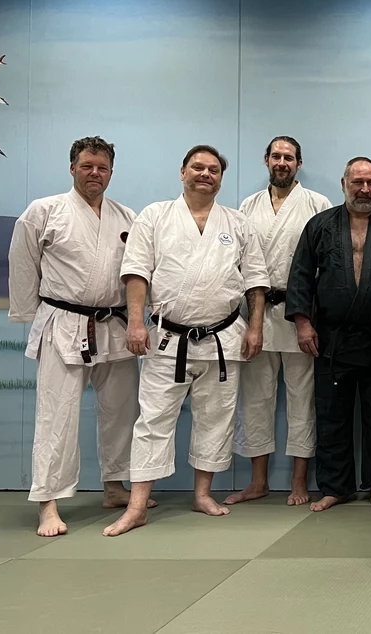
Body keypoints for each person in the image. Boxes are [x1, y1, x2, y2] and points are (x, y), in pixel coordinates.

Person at [104, 145, 270, 536]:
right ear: (183, 172)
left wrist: (256, 327)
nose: (205, 174)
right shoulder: (155, 216)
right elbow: (137, 272)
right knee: (152, 421)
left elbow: (255, 280)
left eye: (213, 170)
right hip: (166, 338)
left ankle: (202, 494)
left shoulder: (237, 222)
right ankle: (138, 505)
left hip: (222, 338)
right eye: (198, 167)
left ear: (220, 179)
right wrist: (135, 322)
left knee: (216, 418)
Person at [8, 136, 149, 537]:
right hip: (64, 322)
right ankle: (48, 502)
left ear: (111, 173)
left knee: (121, 410)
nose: (94, 174)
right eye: (87, 166)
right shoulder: (44, 211)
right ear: (72, 168)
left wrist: (138, 318)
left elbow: (139, 270)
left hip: (114, 324)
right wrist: (32, 316)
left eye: (102, 168)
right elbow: (23, 264)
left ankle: (115, 487)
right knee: (57, 414)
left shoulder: (127, 217)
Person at [285, 156, 371, 512]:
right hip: (332, 337)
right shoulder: (320, 225)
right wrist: (303, 322)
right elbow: (301, 274)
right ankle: (336, 487)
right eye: (358, 182)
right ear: (344, 184)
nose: (365, 189)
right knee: (332, 415)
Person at [226, 136, 331, 507]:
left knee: (303, 399)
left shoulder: (317, 204)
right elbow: (240, 262)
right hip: (256, 312)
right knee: (256, 399)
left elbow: (324, 266)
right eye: (276, 156)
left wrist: (310, 318)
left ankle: (299, 481)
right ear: (266, 160)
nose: (282, 162)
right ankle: (258, 481)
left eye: (289, 157)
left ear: (298, 164)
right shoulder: (248, 206)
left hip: (300, 313)